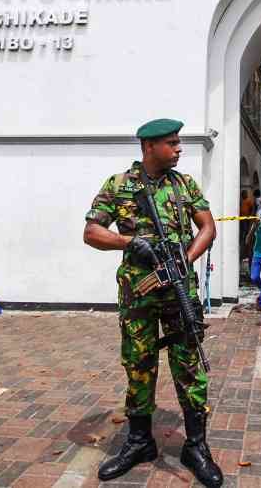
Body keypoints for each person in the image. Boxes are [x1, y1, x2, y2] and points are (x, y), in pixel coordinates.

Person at [83, 118, 223, 488]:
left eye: (178, 142)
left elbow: (208, 227)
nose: (179, 149)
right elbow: (92, 232)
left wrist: (185, 260)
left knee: (189, 365)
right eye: (171, 143)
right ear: (149, 147)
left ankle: (196, 446)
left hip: (179, 293)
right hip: (138, 294)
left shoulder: (184, 184)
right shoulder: (119, 185)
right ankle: (139, 441)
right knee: (139, 364)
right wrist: (129, 242)